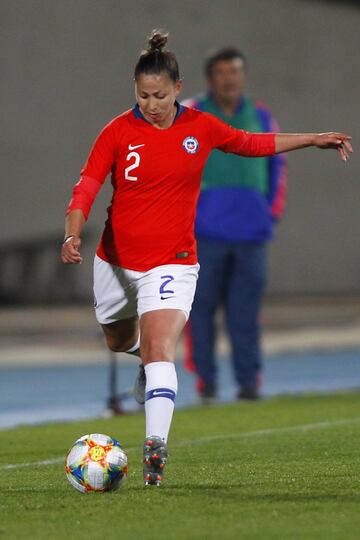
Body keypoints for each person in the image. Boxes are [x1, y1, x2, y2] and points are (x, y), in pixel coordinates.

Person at [61, 29, 352, 487]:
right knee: (119, 341)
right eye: (143, 96)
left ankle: (154, 449)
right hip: (116, 261)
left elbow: (251, 143)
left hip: (174, 261)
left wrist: (312, 138)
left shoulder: (200, 127)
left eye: (159, 95)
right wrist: (72, 235)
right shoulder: (117, 131)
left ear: (177, 89)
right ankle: (144, 364)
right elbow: (87, 186)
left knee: (162, 346)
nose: (151, 104)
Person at [183, 48, 287, 402]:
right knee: (200, 311)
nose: (228, 78)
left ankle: (248, 382)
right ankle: (207, 382)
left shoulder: (260, 114)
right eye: (221, 72)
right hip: (203, 234)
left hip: (251, 232)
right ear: (210, 78)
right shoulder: (191, 113)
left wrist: (269, 211)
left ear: (243, 76)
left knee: (245, 315)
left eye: (235, 71)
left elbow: (278, 165)